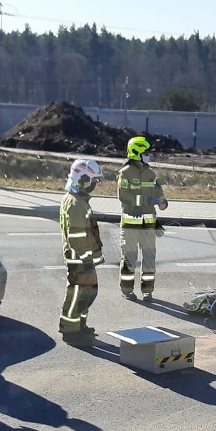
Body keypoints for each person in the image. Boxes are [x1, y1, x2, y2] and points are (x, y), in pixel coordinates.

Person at [59, 159, 105, 346]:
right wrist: (87, 259)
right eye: (94, 180)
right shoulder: (75, 203)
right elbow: (76, 237)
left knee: (88, 292)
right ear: (83, 180)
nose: (95, 185)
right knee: (78, 293)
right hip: (79, 260)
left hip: (83, 258)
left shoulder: (78, 199)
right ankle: (70, 329)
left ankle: (80, 324)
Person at [117, 135, 168, 303]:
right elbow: (123, 196)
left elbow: (158, 192)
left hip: (148, 225)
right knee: (130, 260)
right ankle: (126, 289)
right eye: (146, 152)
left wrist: (162, 202)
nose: (149, 155)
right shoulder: (125, 173)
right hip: (131, 224)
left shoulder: (150, 172)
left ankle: (147, 291)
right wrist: (146, 201)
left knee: (149, 259)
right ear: (137, 152)